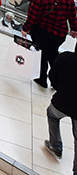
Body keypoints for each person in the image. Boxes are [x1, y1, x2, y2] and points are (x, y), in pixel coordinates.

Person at [22, 0, 77, 88]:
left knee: (42, 54)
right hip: (59, 33)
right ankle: (57, 81)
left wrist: (25, 28)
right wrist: (74, 29)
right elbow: (72, 16)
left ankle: (42, 79)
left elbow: (33, 16)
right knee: (53, 54)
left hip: (41, 31)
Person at [44, 44, 77, 174]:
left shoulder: (65, 58)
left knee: (52, 115)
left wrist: (61, 89)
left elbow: (52, 76)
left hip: (61, 102)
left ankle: (56, 146)